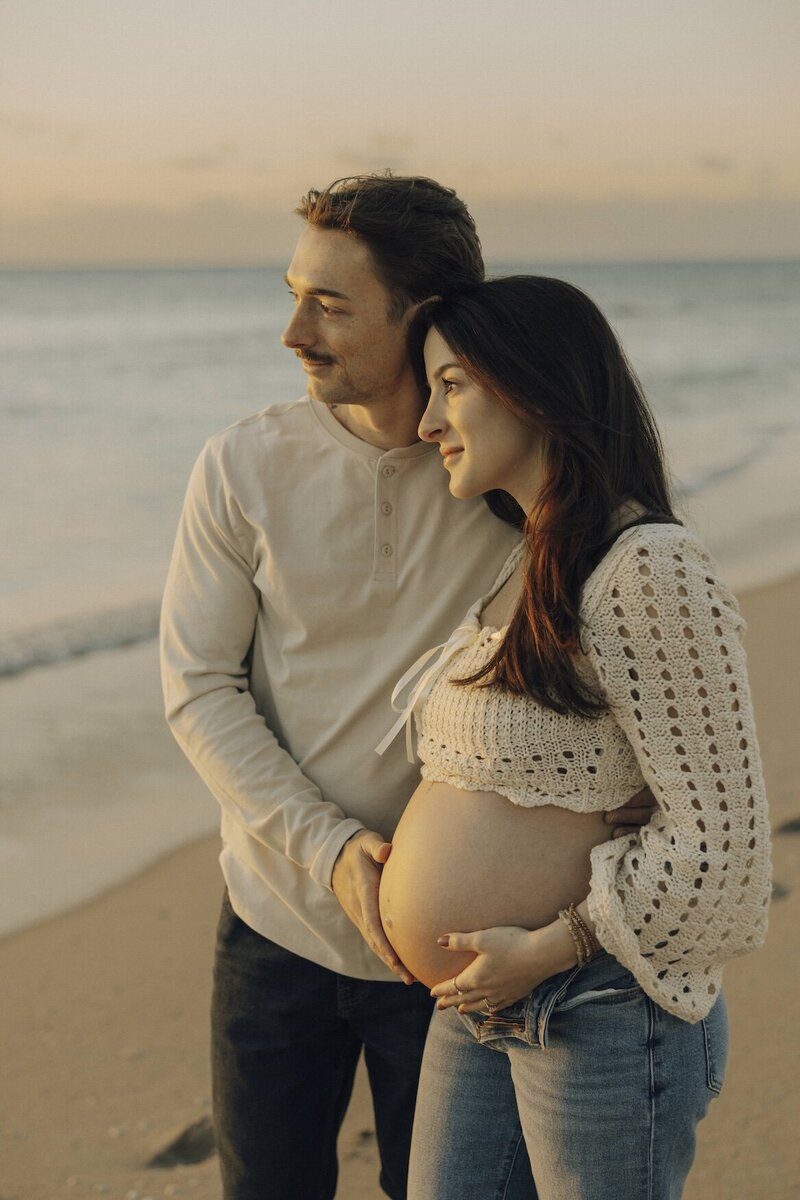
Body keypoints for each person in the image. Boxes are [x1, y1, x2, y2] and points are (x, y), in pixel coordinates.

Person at [160, 176, 656, 1200]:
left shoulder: (510, 484)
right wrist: (332, 851)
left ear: (423, 317)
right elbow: (200, 685)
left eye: (331, 304)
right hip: (275, 920)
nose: (293, 331)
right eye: (293, 294)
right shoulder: (242, 466)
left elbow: (622, 688)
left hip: (465, 961)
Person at [374, 276, 772, 1200]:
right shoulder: (531, 556)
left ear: (537, 386)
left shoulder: (648, 569)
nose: (428, 421)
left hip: (595, 1006)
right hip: (485, 1002)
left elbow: (728, 854)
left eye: (453, 385)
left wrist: (555, 943)